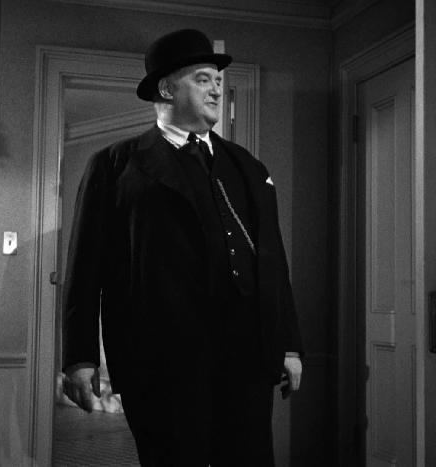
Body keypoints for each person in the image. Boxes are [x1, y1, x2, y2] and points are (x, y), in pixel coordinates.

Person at [62, 28, 303, 467]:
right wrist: (79, 358)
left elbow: (272, 260)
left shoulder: (247, 166)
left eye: (218, 80)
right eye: (202, 79)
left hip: (246, 360)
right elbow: (85, 267)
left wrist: (287, 345)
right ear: (166, 89)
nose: (216, 89)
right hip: (161, 363)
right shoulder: (116, 165)